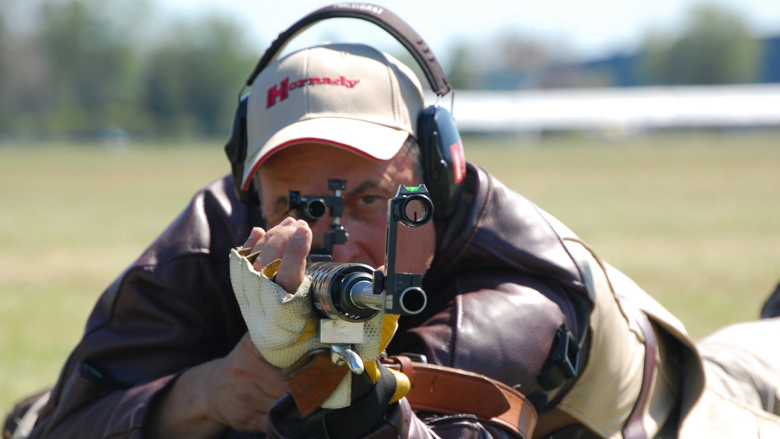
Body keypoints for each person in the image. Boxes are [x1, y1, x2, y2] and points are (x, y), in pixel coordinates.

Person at [5, 5, 780, 439]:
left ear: (436, 180)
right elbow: (63, 426)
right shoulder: (212, 241)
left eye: (370, 199)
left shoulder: (514, 281)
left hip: (689, 416)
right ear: (249, 192)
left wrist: (373, 415)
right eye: (296, 204)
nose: (329, 237)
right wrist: (206, 391)